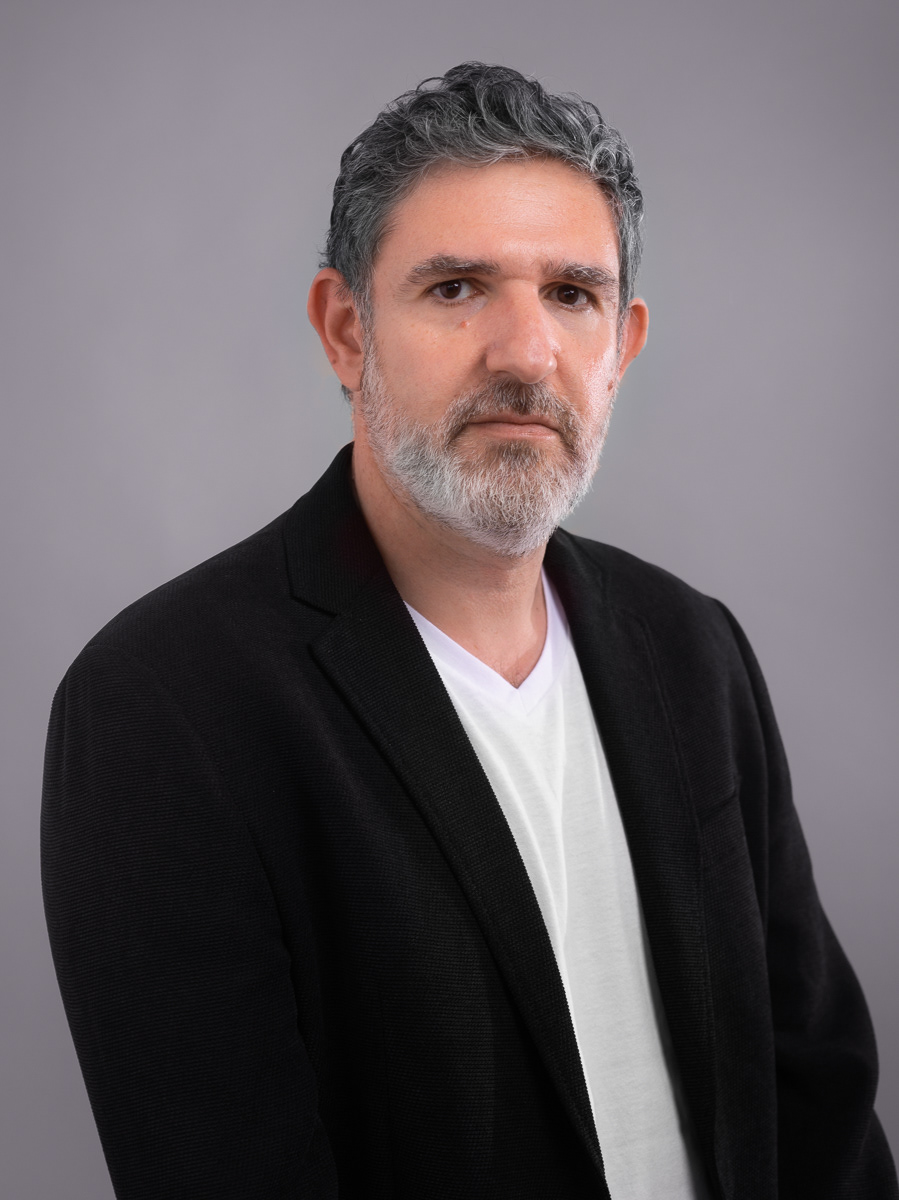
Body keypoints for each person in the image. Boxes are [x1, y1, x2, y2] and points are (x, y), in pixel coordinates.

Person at [42, 63, 896, 1200]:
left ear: (622, 345)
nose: (525, 353)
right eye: (455, 288)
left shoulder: (693, 650)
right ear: (346, 330)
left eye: (572, 294)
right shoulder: (165, 705)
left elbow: (821, 1112)